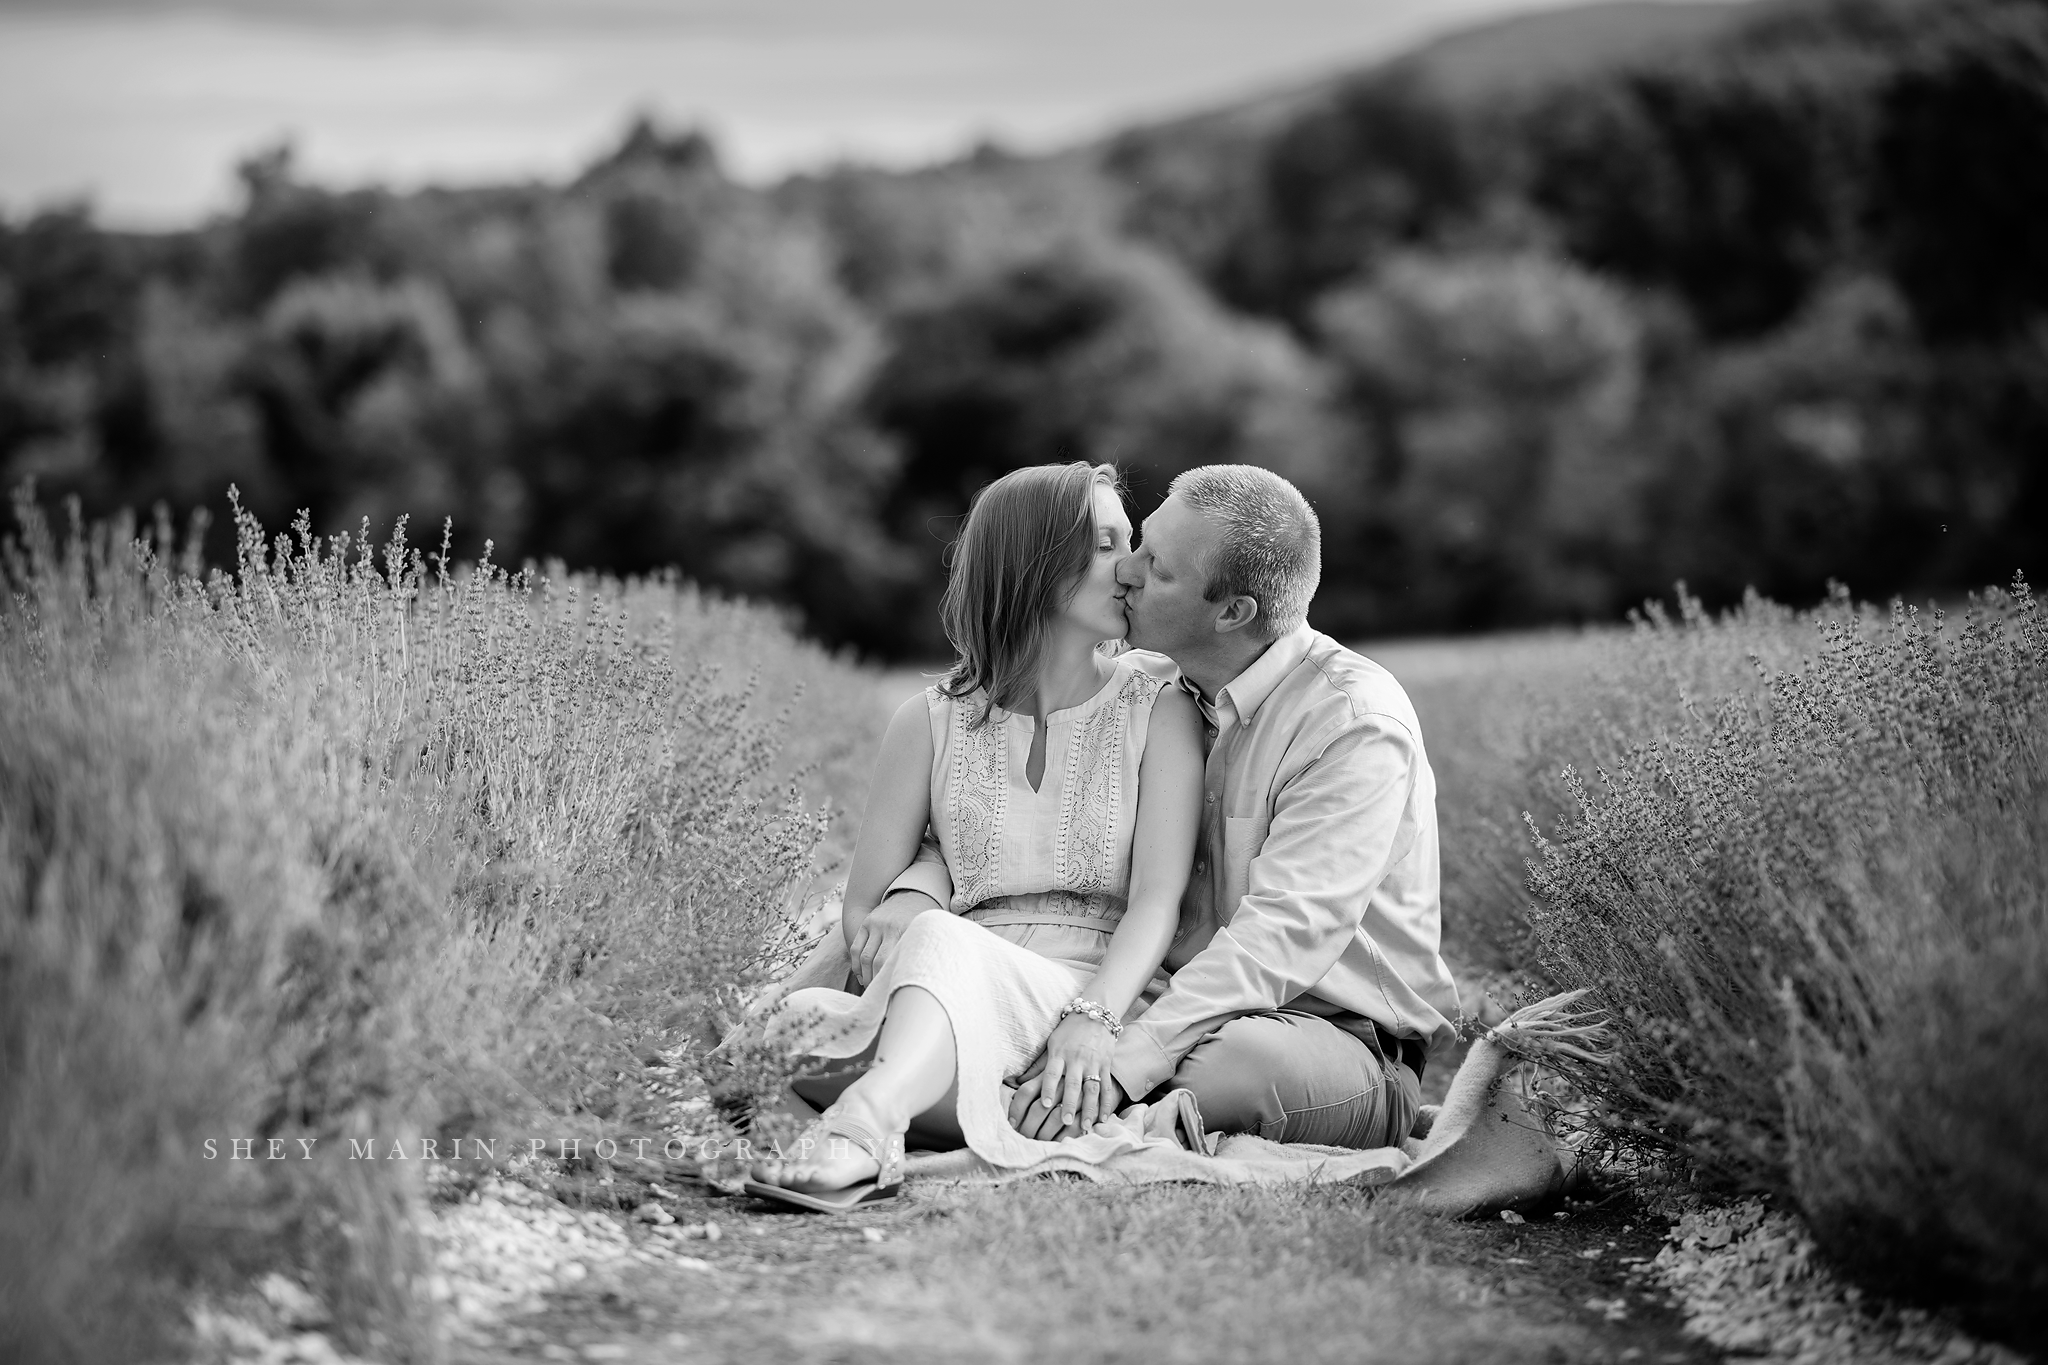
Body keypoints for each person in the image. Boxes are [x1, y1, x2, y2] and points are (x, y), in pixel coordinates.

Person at [742, 461, 1205, 1210]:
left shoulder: (1158, 703)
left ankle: (864, 1127)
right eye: (1102, 544)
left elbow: (1157, 902)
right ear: (1031, 561)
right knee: (778, 1026)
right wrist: (908, 894)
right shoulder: (929, 719)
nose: (1128, 567)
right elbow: (861, 916)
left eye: (1130, 541)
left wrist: (1093, 1022)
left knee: (934, 943)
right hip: (937, 989)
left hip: (1082, 996)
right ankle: (901, 1098)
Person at [992, 463, 1461, 1151]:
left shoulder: (1354, 722)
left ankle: (1073, 1102)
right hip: (1157, 1001)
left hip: (1326, 1033)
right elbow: (992, 785)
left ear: (1233, 611)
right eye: (1138, 544)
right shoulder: (1145, 690)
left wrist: (1122, 1058)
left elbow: (1281, 935)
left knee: (1240, 1062)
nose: (1125, 570)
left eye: (1159, 568)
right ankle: (1075, 1097)